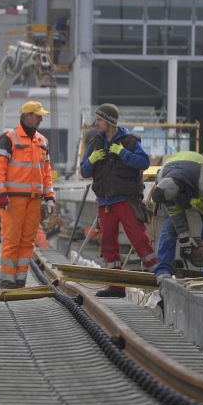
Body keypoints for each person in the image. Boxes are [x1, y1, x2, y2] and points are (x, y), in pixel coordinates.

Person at [79, 103, 158, 296]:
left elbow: (144, 162)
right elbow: (84, 171)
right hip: (105, 203)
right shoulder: (95, 144)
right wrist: (91, 160)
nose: (95, 124)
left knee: (139, 239)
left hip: (126, 200)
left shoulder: (130, 142)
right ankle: (116, 286)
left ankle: (158, 277)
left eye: (99, 120)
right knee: (107, 244)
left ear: (109, 121)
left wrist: (122, 153)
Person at [0, 101, 55, 290]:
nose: (41, 119)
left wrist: (49, 196)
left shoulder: (42, 141)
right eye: (37, 115)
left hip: (34, 200)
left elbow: (46, 172)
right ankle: (7, 281)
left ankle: (20, 281)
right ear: (26, 116)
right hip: (14, 200)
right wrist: (1, 193)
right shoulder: (8, 138)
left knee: (27, 241)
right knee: (11, 240)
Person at [150, 151, 203, 281]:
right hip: (180, 177)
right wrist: (184, 235)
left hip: (198, 187)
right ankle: (163, 271)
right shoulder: (162, 183)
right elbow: (173, 211)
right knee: (170, 228)